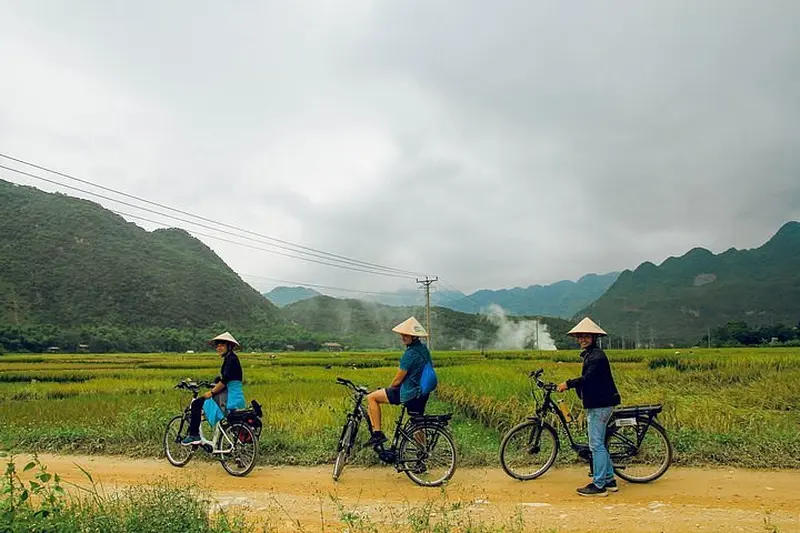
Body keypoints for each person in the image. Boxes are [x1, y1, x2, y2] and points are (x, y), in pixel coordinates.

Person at [557, 317, 621, 497]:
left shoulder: (597, 357)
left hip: (600, 404)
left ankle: (599, 485)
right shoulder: (591, 354)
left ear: (594, 337)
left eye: (586, 336)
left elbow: (588, 379)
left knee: (596, 445)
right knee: (599, 443)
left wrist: (568, 384)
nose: (582, 339)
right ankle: (609, 480)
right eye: (580, 336)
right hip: (599, 403)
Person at [365, 317, 432, 447]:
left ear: (413, 336)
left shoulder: (410, 354)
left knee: (372, 397)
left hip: (410, 393)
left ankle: (377, 435)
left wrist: (389, 389)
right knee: (416, 424)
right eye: (402, 334)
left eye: (406, 335)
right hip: (422, 393)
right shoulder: (423, 349)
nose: (402, 337)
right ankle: (423, 453)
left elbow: (397, 380)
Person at [182, 331, 246, 445]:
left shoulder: (230, 359)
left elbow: (225, 380)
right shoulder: (231, 358)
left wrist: (212, 392)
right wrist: (217, 383)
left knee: (197, 404)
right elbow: (228, 379)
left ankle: (194, 435)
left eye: (222, 345)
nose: (219, 348)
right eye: (217, 346)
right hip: (235, 394)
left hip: (229, 396)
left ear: (229, 346)